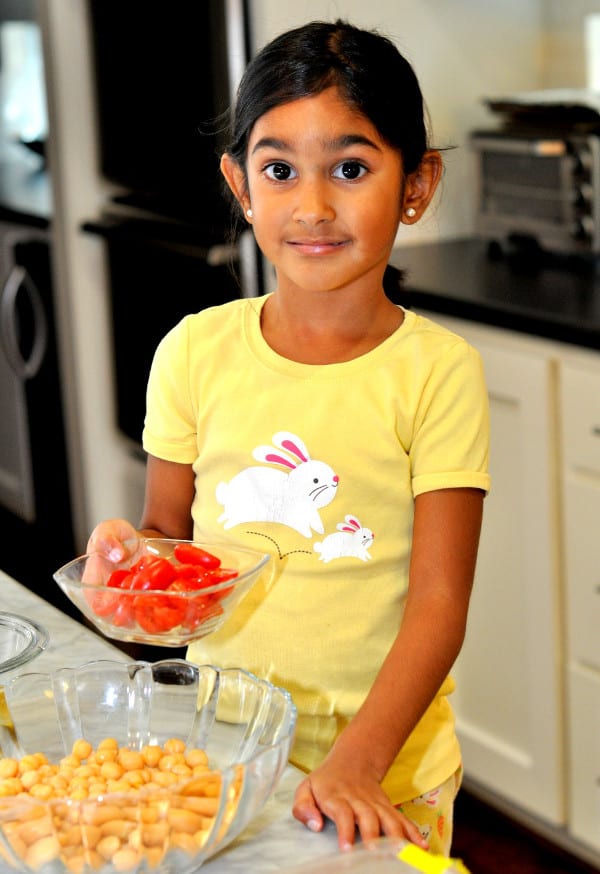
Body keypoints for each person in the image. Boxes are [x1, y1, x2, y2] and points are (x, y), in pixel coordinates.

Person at [87, 19, 490, 856]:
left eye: (350, 168)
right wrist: (131, 568)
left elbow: (439, 606)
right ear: (240, 184)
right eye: (279, 170)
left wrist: (356, 764)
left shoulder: (437, 371)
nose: (312, 206)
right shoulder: (194, 350)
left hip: (384, 771)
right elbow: (169, 537)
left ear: (417, 184)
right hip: (223, 751)